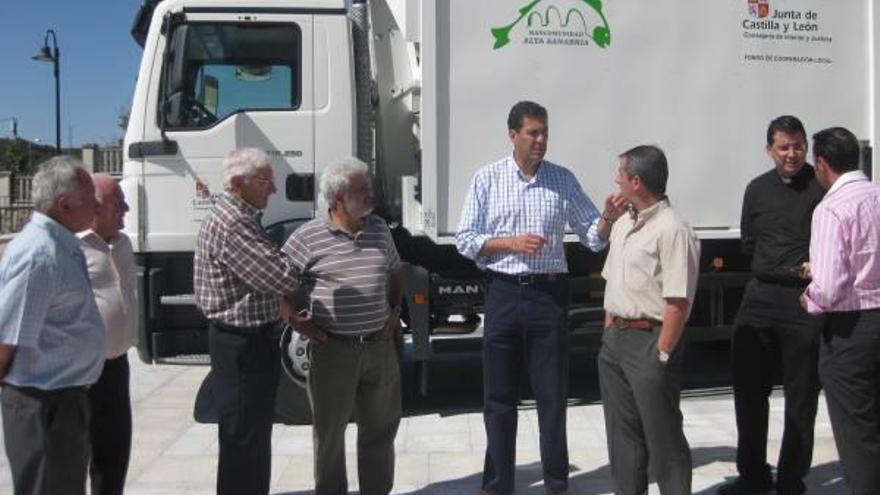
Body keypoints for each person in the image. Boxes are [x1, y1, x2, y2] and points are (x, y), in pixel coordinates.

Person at [456, 100, 622, 495]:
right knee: (498, 398)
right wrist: (508, 243)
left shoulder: (562, 180)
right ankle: (497, 485)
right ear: (512, 135)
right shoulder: (487, 179)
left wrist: (608, 217)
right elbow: (465, 240)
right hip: (503, 293)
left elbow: (593, 238)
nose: (541, 140)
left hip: (549, 296)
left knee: (552, 397)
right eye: (533, 132)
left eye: (545, 132)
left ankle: (557, 484)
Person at [282, 157, 404, 495]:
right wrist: (294, 319)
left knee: (380, 431)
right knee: (330, 435)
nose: (370, 194)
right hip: (334, 351)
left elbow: (395, 272)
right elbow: (276, 285)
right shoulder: (308, 237)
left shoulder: (379, 228)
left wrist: (393, 310)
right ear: (337, 198)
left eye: (368, 187)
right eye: (360, 189)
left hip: (379, 347)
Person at [720, 116, 825, 495]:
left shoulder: (820, 187)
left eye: (798, 146)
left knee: (801, 396)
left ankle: (791, 478)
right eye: (783, 147)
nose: (792, 154)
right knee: (748, 391)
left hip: (803, 299)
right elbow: (749, 242)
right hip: (759, 296)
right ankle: (752, 475)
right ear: (769, 150)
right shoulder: (757, 189)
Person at [193, 147, 299, 495]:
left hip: (246, 343)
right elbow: (282, 277)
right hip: (242, 345)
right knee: (244, 440)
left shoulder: (241, 218)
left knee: (249, 436)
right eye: (266, 180)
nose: (273, 189)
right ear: (238, 183)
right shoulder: (234, 223)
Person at [598, 145, 700, 495]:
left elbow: (677, 301)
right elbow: (613, 281)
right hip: (616, 344)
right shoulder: (623, 223)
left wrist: (662, 354)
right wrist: (610, 332)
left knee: (664, 440)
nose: (616, 180)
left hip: (649, 344)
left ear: (637, 182)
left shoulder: (674, 230)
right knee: (623, 440)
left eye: (621, 175)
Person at [0, 156, 105, 495]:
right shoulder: (40, 256)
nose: (98, 203)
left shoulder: (62, 244)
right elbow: (6, 338)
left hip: (63, 400)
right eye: (91, 196)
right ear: (65, 204)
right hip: (42, 405)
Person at [801, 126, 880, 495]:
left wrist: (808, 297)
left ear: (821, 163)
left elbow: (829, 288)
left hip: (851, 331)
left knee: (857, 434)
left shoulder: (831, 208)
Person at [78, 174, 138, 495]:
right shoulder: (74, 246)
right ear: (96, 207)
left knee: (114, 453)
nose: (126, 208)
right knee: (78, 456)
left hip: (117, 364)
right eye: (119, 202)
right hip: (83, 371)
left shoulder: (123, 242)